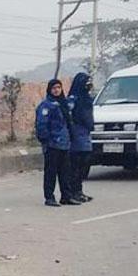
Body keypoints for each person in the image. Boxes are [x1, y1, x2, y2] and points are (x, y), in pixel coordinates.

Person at [35, 78, 79, 207]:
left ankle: (66, 196)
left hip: (64, 144)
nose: (57, 90)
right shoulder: (46, 105)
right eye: (54, 88)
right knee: (51, 172)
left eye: (59, 87)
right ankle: (49, 197)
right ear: (50, 89)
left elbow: (68, 123)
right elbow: (41, 125)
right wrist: (47, 140)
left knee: (65, 172)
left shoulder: (63, 104)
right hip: (52, 144)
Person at [67, 72, 95, 202]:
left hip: (86, 134)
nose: (88, 85)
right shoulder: (73, 99)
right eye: (86, 83)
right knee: (76, 165)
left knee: (84, 164)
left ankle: (79, 190)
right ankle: (73, 191)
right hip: (76, 135)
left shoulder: (87, 98)